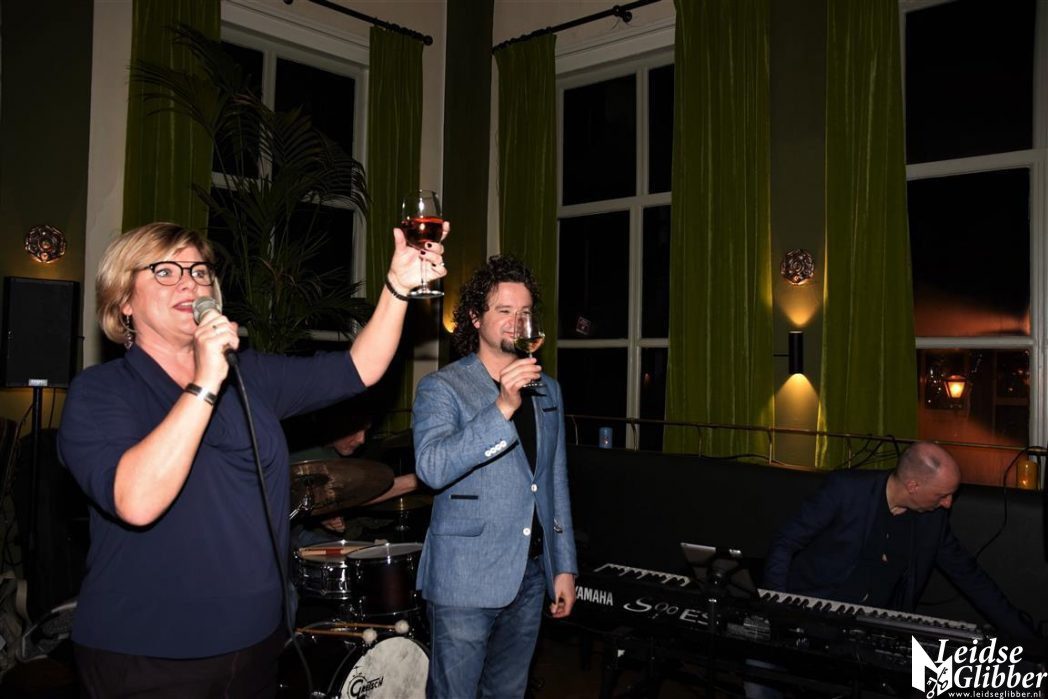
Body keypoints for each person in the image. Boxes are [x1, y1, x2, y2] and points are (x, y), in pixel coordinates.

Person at [57, 220, 445, 697]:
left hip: (257, 641)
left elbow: (359, 368)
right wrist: (204, 381)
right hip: (148, 652)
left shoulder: (249, 375)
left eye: (199, 271)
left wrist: (397, 287)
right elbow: (137, 501)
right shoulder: (101, 392)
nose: (189, 282)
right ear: (123, 302)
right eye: (165, 271)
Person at [412, 255, 578, 699]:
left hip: (530, 575)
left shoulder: (549, 390)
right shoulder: (442, 387)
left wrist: (563, 566)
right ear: (474, 317)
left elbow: (554, 482)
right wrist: (502, 406)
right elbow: (431, 468)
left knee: (508, 692)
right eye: (504, 310)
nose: (517, 322)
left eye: (525, 312)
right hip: (464, 578)